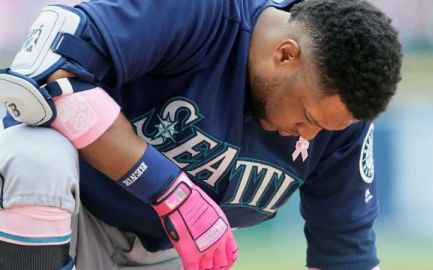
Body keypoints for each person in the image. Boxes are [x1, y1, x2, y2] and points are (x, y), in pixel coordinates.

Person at [0, 0, 402, 269]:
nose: (308, 137)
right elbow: (47, 72)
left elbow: (345, 255)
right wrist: (171, 192)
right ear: (285, 55)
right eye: (307, 117)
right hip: (72, 217)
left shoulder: (338, 126)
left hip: (168, 254)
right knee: (33, 157)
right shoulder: (203, 13)